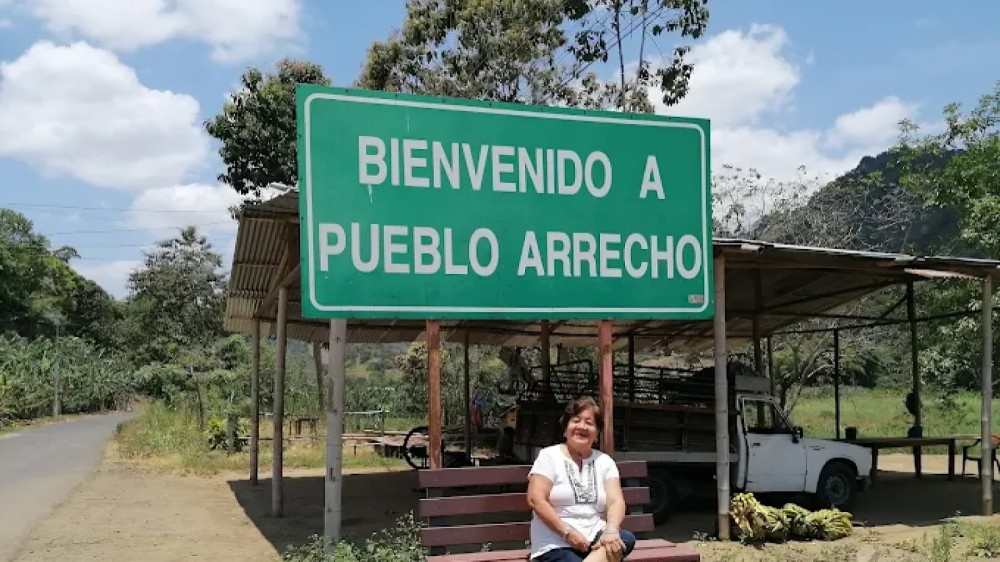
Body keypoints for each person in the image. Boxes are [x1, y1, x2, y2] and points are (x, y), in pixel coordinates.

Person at [526, 397, 635, 562]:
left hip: (596, 540)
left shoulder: (605, 462)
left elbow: (616, 502)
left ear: (597, 434)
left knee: (625, 538)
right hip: (555, 542)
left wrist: (611, 530)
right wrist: (567, 533)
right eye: (576, 421)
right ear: (566, 428)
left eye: (590, 423)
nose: (582, 426)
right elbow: (536, 500)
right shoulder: (548, 456)